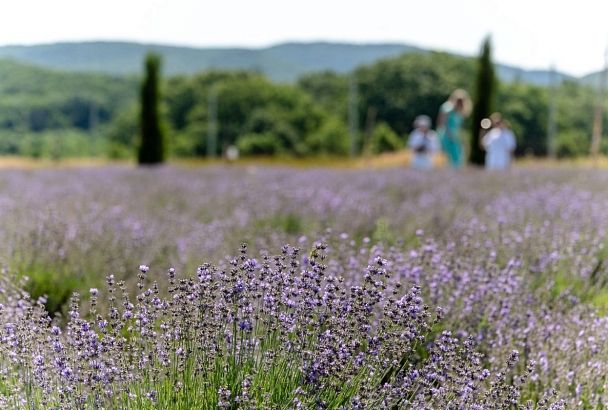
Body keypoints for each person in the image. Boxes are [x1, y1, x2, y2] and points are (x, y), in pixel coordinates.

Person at [437, 89, 472, 168]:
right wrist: (446, 135)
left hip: (456, 138)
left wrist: (463, 140)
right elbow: (441, 124)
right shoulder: (447, 108)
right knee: (447, 159)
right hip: (446, 136)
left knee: (458, 159)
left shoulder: (459, 113)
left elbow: (460, 128)